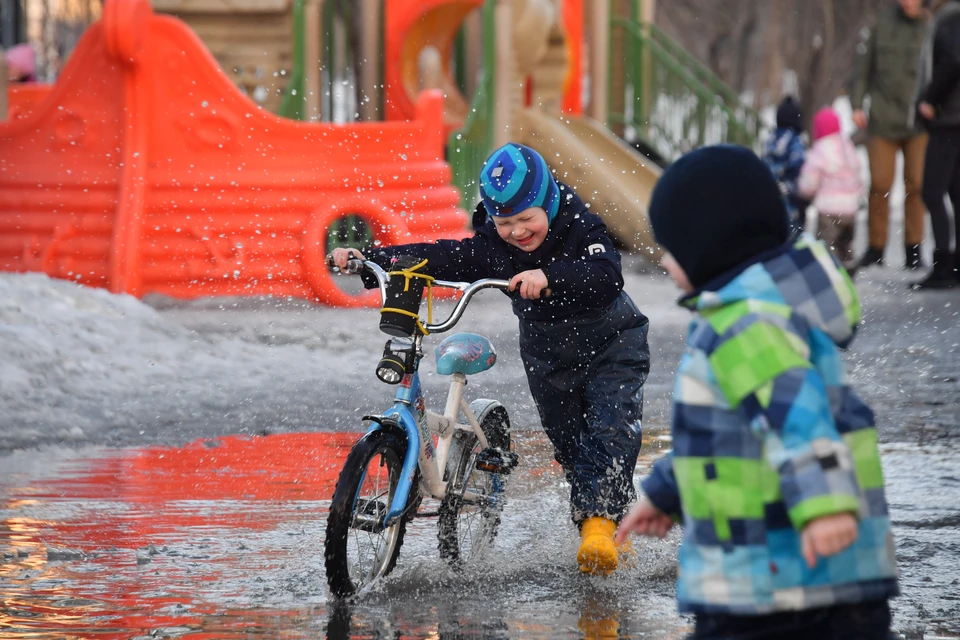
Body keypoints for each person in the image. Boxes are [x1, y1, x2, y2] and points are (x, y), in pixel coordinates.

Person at [616, 145, 899, 640]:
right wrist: (667, 492)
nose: (662, 258)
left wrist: (826, 506)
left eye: (671, 247)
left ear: (710, 246)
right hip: (796, 577)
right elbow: (730, 438)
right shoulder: (762, 310)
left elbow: (797, 415)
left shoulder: (746, 324)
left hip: (781, 586)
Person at [330, 142, 651, 576]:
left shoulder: (579, 225)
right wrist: (374, 261)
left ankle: (598, 529)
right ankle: (605, 524)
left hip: (611, 342)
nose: (517, 232)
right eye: (504, 223)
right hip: (548, 350)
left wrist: (550, 276)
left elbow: (607, 276)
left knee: (611, 429)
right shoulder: (494, 247)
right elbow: (442, 255)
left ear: (548, 203)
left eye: (526, 219)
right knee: (570, 442)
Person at [851, 0, 929, 270]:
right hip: (883, 120)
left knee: (917, 186)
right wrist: (857, 103)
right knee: (880, 185)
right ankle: (876, 247)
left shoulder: (932, 25)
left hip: (918, 123)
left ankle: (914, 247)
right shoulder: (882, 25)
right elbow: (864, 69)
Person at [913, 0, 960, 289]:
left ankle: (944, 264)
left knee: (931, 191)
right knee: (956, 194)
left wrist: (931, 99)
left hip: (949, 119)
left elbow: (954, 58)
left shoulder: (950, 18)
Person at [798, 106, 865, 274]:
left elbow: (810, 178)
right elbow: (857, 171)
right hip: (850, 210)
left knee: (826, 243)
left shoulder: (820, 149)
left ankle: (827, 271)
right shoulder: (847, 146)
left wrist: (804, 192)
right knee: (845, 242)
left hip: (829, 210)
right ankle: (848, 265)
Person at [763, 96, 807, 227]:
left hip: (770, 198)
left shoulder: (770, 140)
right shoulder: (795, 141)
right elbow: (798, 165)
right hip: (790, 200)